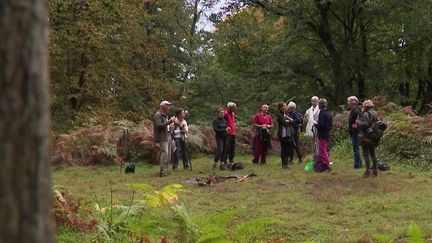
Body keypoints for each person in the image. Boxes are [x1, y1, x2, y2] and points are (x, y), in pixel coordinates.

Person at [357, 99, 379, 177]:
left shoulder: (366, 114)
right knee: (373, 153)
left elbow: (365, 125)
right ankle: (375, 170)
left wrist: (358, 123)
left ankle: (367, 170)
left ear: (365, 106)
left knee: (366, 154)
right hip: (374, 136)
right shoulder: (375, 112)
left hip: (366, 136)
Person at [153, 100, 176, 177]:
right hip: (162, 137)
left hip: (167, 136)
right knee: (165, 154)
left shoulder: (165, 115)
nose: (169, 107)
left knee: (168, 155)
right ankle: (162, 172)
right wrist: (169, 122)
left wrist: (171, 127)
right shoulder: (157, 114)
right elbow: (158, 126)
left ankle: (166, 171)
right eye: (168, 105)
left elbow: (165, 127)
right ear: (163, 106)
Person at [313, 98, 332, 172]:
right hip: (328, 133)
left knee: (322, 150)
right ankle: (326, 163)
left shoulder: (321, 113)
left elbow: (321, 124)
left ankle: (327, 164)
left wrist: (315, 124)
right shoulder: (329, 113)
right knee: (325, 149)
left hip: (322, 133)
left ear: (319, 105)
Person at [347, 96, 363, 169]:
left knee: (356, 148)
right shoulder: (353, 109)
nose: (348, 103)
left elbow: (361, 117)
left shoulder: (356, 110)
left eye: (349, 101)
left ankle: (357, 164)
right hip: (353, 132)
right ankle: (359, 163)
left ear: (353, 102)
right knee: (356, 148)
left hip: (356, 132)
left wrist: (357, 124)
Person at [276, 102, 293, 169]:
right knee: (284, 149)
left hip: (287, 133)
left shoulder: (285, 114)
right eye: (284, 106)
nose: (286, 107)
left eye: (286, 106)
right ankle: (284, 164)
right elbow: (285, 123)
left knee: (288, 149)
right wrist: (289, 121)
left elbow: (292, 122)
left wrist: (289, 120)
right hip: (282, 134)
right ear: (280, 107)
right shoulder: (279, 115)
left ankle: (286, 163)